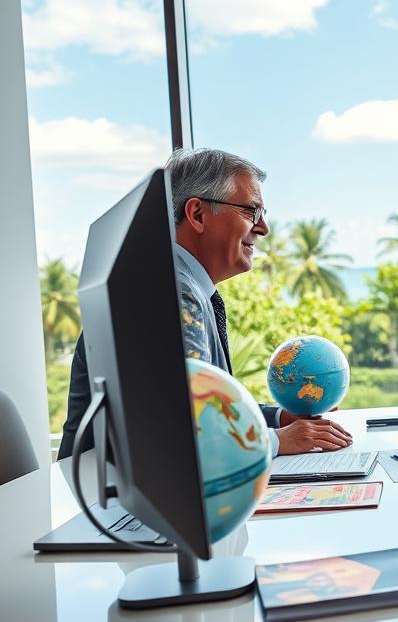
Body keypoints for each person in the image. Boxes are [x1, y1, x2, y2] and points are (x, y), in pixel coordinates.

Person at [59, 148, 352, 460]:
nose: (263, 228)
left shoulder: (181, 283)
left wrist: (280, 420)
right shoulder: (170, 292)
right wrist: (276, 441)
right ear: (197, 214)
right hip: (103, 497)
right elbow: (189, 425)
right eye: (251, 211)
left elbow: (211, 407)